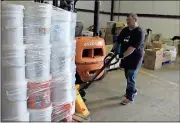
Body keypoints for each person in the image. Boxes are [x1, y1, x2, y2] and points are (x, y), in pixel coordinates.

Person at [111, 13, 145, 105]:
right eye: (127, 20)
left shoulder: (139, 32)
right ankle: (132, 90)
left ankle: (130, 96)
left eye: (129, 20)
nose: (127, 22)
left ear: (135, 20)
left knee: (130, 76)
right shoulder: (125, 30)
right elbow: (118, 41)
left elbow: (132, 48)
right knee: (127, 75)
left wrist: (122, 55)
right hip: (126, 56)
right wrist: (112, 51)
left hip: (135, 58)